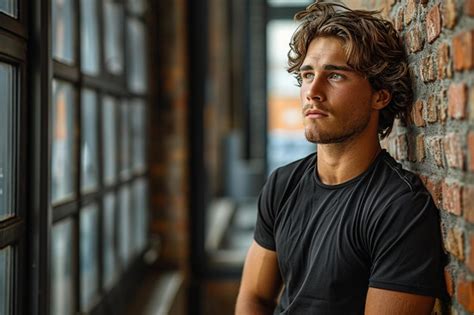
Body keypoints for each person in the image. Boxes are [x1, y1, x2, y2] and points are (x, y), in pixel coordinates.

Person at [235, 1, 445, 314]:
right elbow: (254, 298)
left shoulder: (400, 208)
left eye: (334, 76)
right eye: (307, 75)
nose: (312, 92)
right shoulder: (282, 185)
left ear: (379, 95)